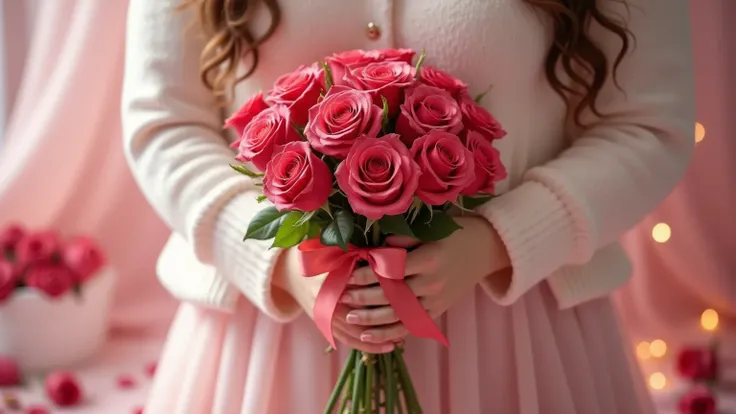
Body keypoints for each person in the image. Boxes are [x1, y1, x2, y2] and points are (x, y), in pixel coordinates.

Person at [121, 0, 693, 412]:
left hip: (520, 341)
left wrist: (499, 241)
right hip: (269, 343)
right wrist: (277, 259)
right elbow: (162, 122)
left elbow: (648, 125)